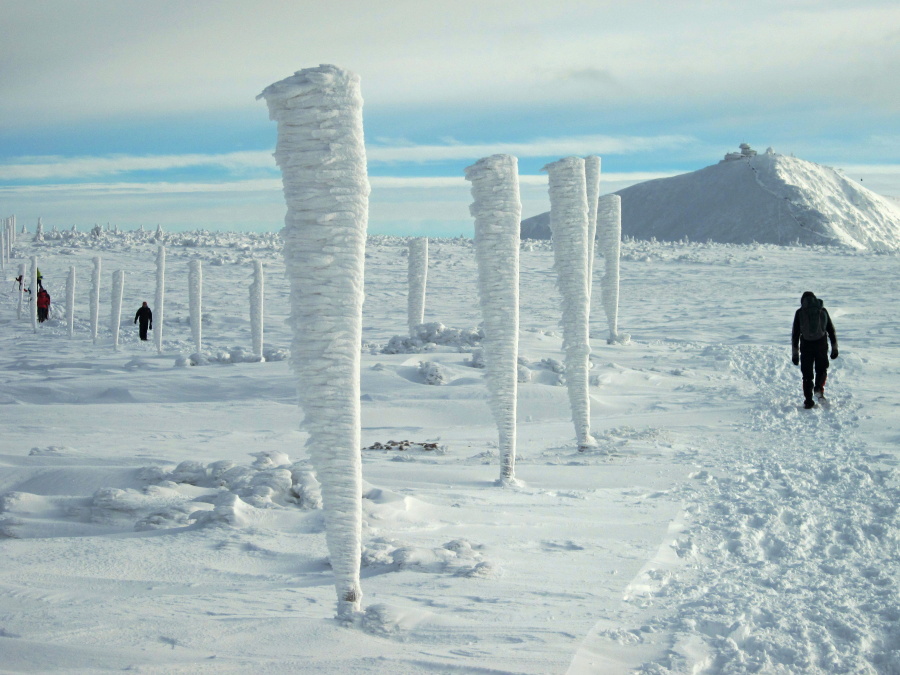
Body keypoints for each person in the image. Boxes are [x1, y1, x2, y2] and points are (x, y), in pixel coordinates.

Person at [791, 291, 838, 408]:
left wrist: (795, 354)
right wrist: (834, 348)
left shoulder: (800, 312)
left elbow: (795, 335)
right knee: (821, 369)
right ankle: (818, 388)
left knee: (807, 374)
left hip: (806, 345)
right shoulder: (822, 310)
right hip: (821, 344)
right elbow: (831, 330)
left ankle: (808, 401)